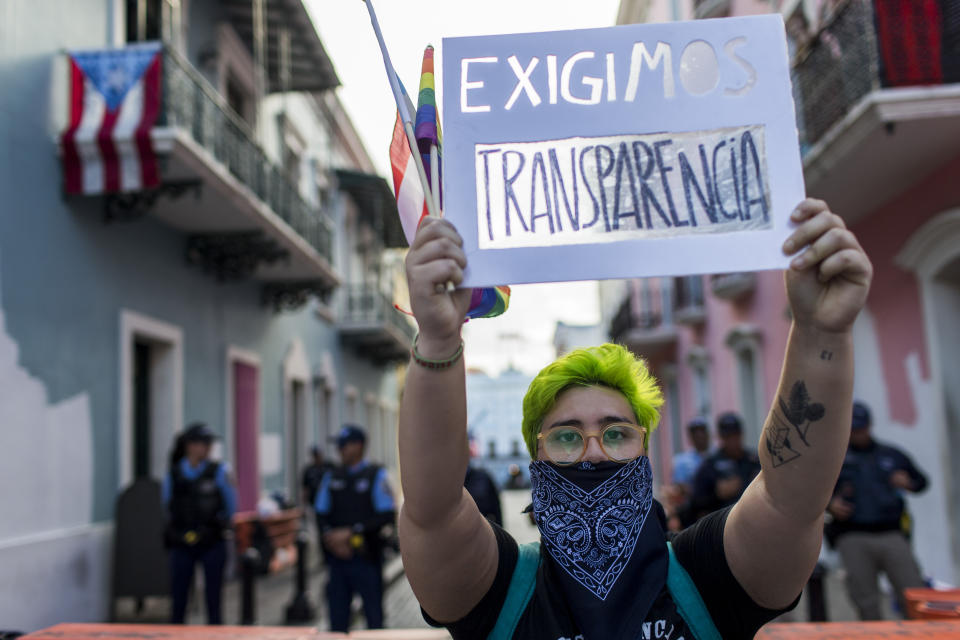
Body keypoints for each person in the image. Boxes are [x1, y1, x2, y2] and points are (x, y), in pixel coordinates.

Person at [397, 199, 872, 639]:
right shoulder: (498, 589)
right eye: (566, 436)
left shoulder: (708, 578)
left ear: (644, 449)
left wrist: (820, 332)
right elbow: (433, 510)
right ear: (537, 454)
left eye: (616, 432)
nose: (594, 450)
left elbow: (791, 500)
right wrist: (439, 341)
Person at [826, 401, 928, 620]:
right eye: (853, 429)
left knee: (913, 593)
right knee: (866, 601)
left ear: (870, 426)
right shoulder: (834, 459)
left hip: (891, 532)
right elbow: (812, 493)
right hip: (853, 534)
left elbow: (921, 482)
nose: (857, 434)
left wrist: (908, 483)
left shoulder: (890, 455)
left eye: (861, 429)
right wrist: (830, 505)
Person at [315, 424, 396, 632]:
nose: (340, 449)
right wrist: (332, 540)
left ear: (359, 446)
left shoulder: (376, 475)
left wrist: (351, 533)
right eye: (339, 445)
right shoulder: (332, 476)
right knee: (337, 623)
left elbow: (386, 515)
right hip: (338, 561)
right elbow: (320, 513)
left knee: (374, 620)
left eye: (345, 445)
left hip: (366, 559)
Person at [162, 422, 236, 624]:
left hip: (212, 541)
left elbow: (231, 506)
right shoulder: (175, 473)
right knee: (179, 600)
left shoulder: (220, 471)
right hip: (181, 542)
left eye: (209, 443)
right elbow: (167, 505)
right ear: (190, 446)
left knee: (214, 600)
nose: (208, 448)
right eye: (203, 443)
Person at [688, 412, 762, 522]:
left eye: (735, 435)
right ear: (721, 437)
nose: (732, 440)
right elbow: (696, 502)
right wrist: (716, 494)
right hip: (723, 525)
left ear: (741, 434)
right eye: (727, 436)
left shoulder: (754, 460)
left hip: (754, 520)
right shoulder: (710, 464)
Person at [464, 435, 503, 526]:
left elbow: (496, 508)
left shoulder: (483, 477)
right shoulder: (448, 480)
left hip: (482, 529)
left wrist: (500, 535)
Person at [671, 416, 711, 489]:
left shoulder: (719, 455)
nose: (699, 435)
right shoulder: (682, 461)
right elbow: (679, 486)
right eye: (695, 433)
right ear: (690, 437)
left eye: (702, 431)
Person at [302, 445, 333, 510]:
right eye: (315, 456)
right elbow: (305, 489)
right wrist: (304, 507)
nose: (318, 457)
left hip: (329, 502)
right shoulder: (309, 470)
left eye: (319, 455)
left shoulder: (329, 466)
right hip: (314, 503)